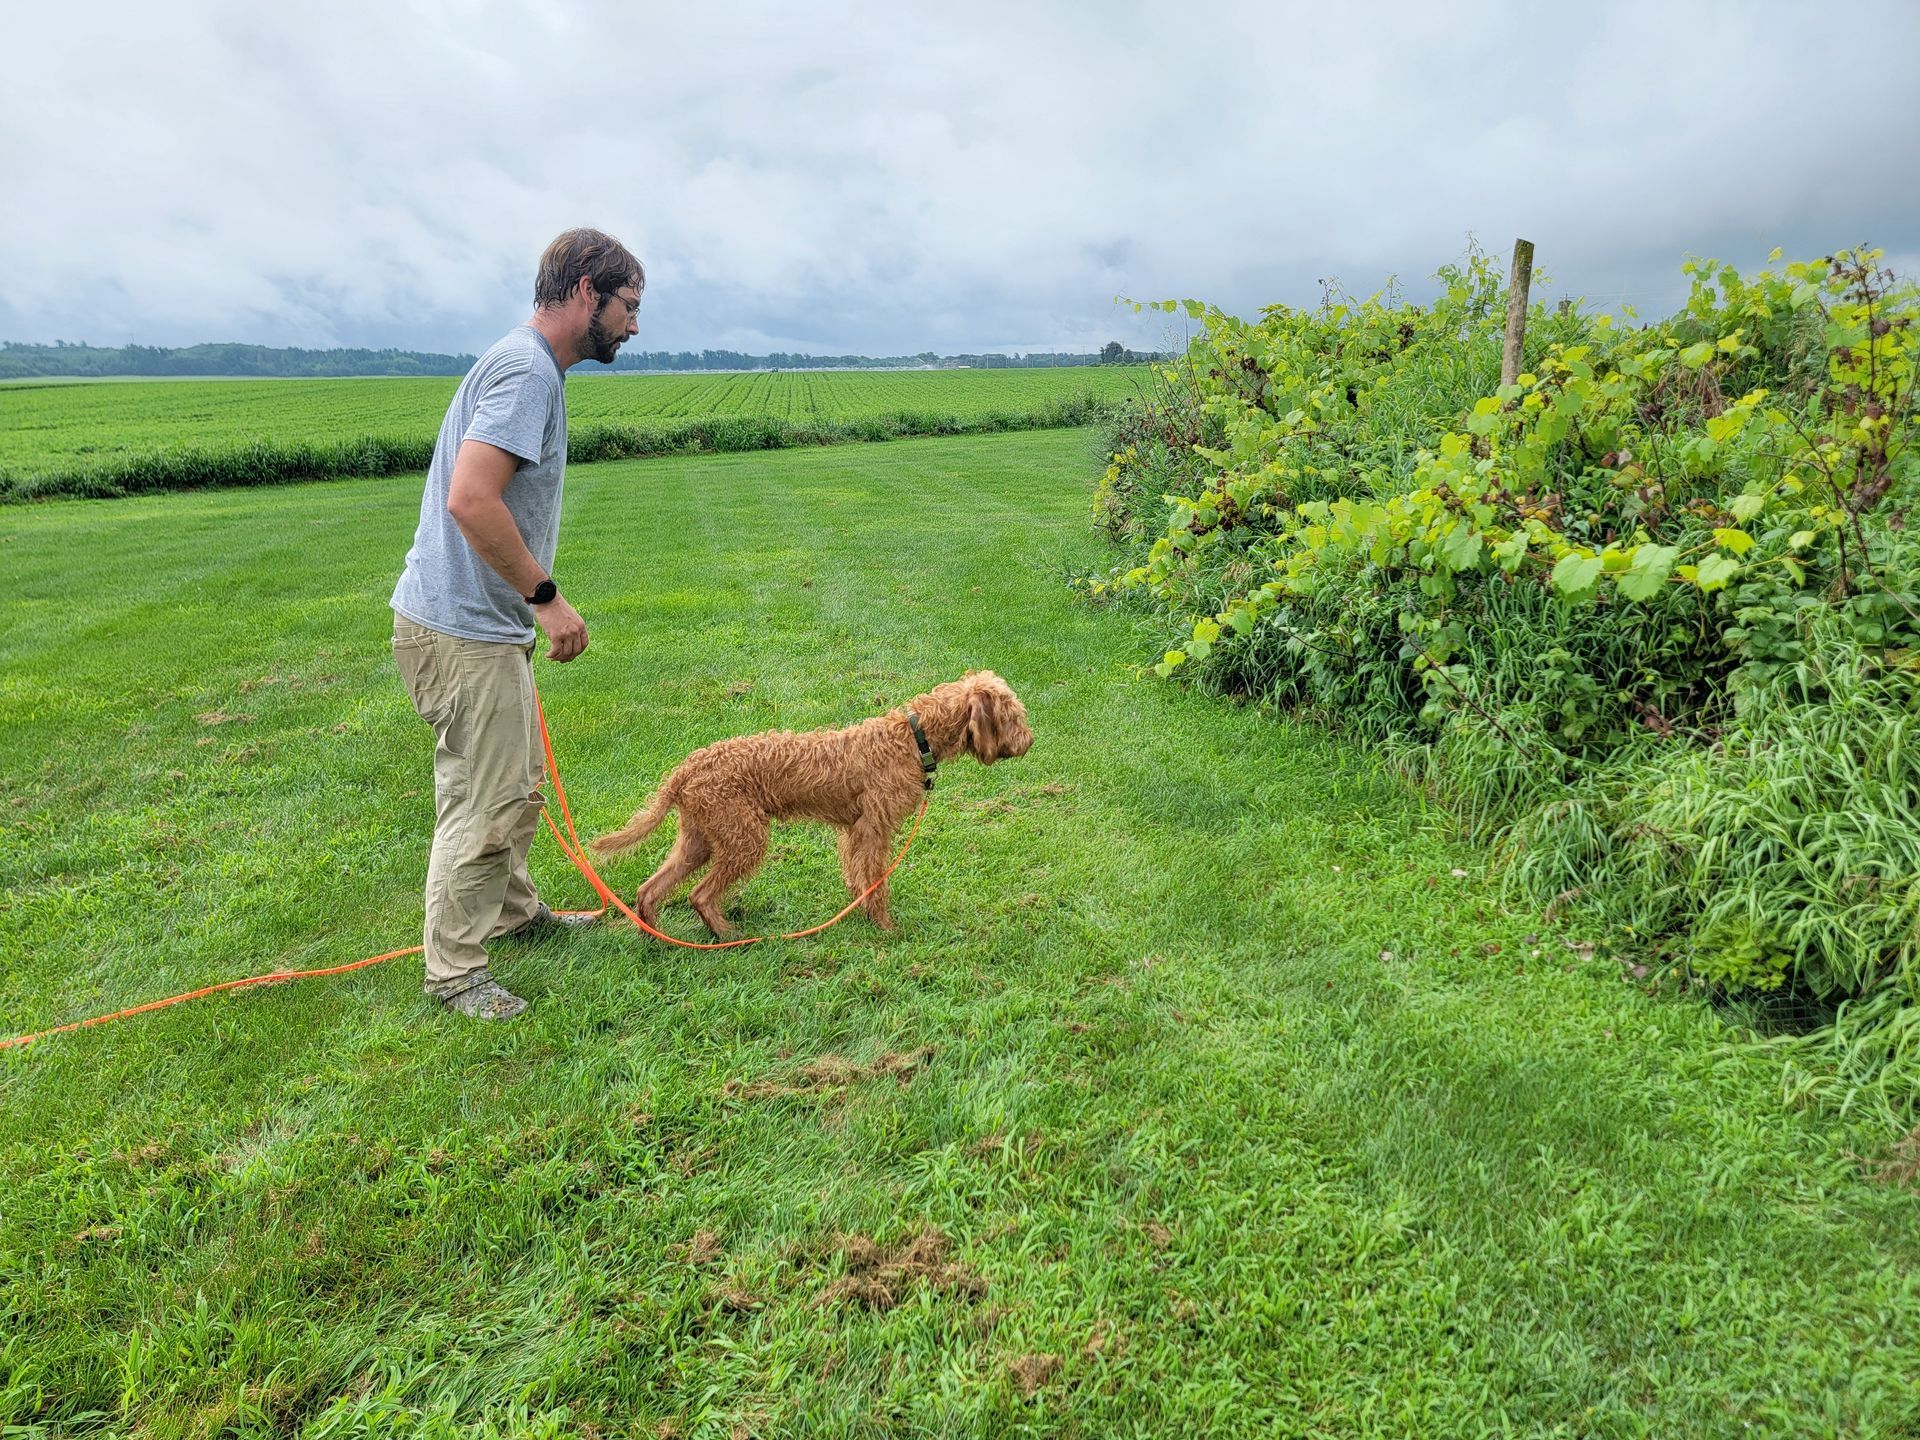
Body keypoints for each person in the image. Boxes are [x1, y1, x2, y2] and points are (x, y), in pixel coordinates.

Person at [390, 227, 644, 1019]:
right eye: (627, 307)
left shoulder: (530, 369)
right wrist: (545, 596)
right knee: (487, 799)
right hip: (460, 632)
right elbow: (472, 498)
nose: (633, 326)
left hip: (480, 630)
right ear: (583, 293)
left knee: (517, 785)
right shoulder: (527, 373)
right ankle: (455, 973)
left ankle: (513, 915)